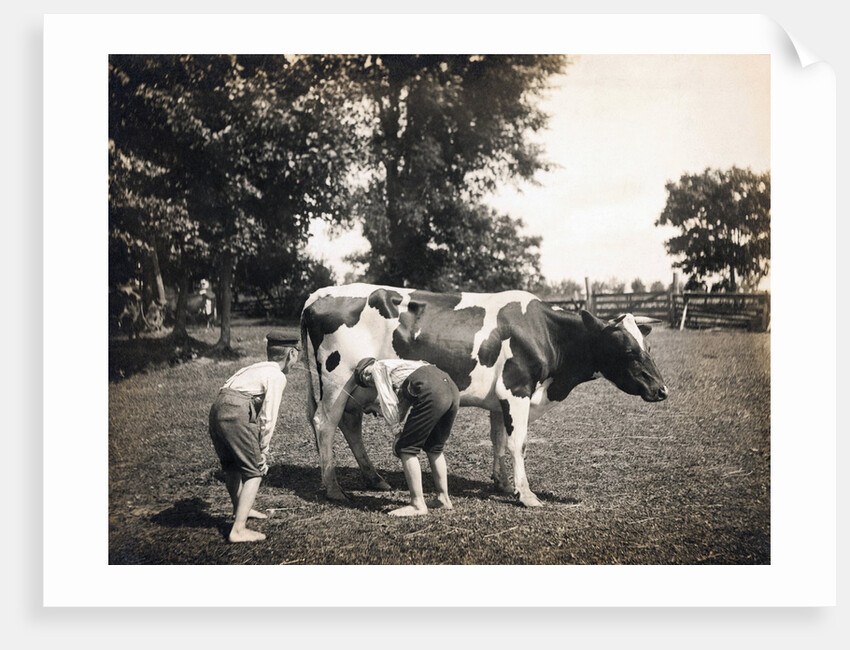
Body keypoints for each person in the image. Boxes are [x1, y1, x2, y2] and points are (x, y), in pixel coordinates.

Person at [208, 331, 300, 542]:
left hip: (217, 409)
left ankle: (240, 508)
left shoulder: (255, 367)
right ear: (291, 354)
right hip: (236, 411)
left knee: (232, 467)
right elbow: (269, 416)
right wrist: (263, 451)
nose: (296, 362)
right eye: (296, 356)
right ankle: (238, 530)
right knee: (254, 472)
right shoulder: (277, 375)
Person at [354, 357, 460, 517]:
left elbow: (390, 405)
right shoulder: (405, 367)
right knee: (434, 447)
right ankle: (443, 498)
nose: (369, 382)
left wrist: (397, 434)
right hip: (450, 388)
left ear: (367, 370)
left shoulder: (378, 369)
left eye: (365, 378)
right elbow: (402, 407)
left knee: (406, 449)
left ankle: (417, 504)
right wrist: (376, 407)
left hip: (432, 391)